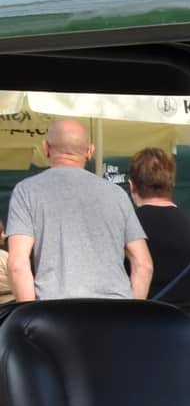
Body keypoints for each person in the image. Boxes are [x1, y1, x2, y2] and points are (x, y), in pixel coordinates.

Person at [4, 117, 152, 303]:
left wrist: (31, 314)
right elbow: (143, 264)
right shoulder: (118, 195)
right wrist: (130, 312)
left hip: (55, 312)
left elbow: (17, 265)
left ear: (46, 148)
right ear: (90, 151)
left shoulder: (26, 191)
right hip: (114, 311)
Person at [126, 148, 190, 313]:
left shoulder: (128, 225)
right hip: (184, 322)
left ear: (132, 185)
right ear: (172, 183)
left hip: (140, 320)